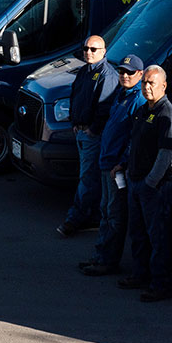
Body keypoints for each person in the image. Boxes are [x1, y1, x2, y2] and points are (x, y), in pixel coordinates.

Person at [79, 54, 144, 276]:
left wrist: (122, 162)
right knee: (105, 211)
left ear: (140, 75)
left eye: (130, 73)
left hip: (117, 167)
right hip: (106, 162)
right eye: (122, 72)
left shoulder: (138, 100)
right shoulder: (121, 94)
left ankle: (108, 261)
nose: (124, 76)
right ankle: (100, 255)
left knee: (114, 213)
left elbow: (135, 138)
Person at [120, 65, 172, 302]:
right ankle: (139, 275)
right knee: (137, 233)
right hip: (135, 181)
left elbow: (167, 154)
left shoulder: (167, 115)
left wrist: (149, 183)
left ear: (163, 86)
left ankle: (160, 285)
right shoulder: (144, 110)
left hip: (155, 187)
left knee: (158, 238)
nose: (146, 87)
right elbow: (135, 143)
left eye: (151, 83)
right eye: (144, 82)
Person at [57, 35, 118, 237]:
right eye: (86, 48)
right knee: (89, 177)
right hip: (81, 131)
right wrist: (75, 122)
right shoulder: (84, 71)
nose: (88, 52)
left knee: (87, 177)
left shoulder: (107, 75)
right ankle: (93, 217)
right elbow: (75, 96)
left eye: (93, 49)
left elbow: (105, 106)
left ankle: (75, 219)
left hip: (93, 135)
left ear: (103, 51)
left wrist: (93, 129)